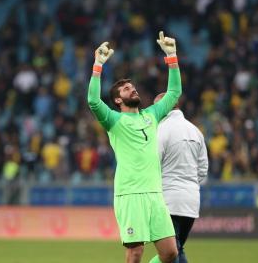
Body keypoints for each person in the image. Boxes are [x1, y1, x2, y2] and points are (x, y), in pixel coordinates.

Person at [87, 31, 182, 263]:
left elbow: (174, 92)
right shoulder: (113, 121)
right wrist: (97, 65)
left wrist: (172, 57)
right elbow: (92, 100)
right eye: (126, 89)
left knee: (170, 253)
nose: (133, 89)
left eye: (133, 86)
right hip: (130, 194)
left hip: (155, 193)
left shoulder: (152, 114)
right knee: (135, 253)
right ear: (118, 100)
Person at [154, 93, 209, 263]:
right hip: (191, 201)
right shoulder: (195, 131)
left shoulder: (161, 129)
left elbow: (153, 163)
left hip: (169, 199)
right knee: (177, 249)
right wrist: (188, 184)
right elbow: (203, 169)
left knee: (171, 253)